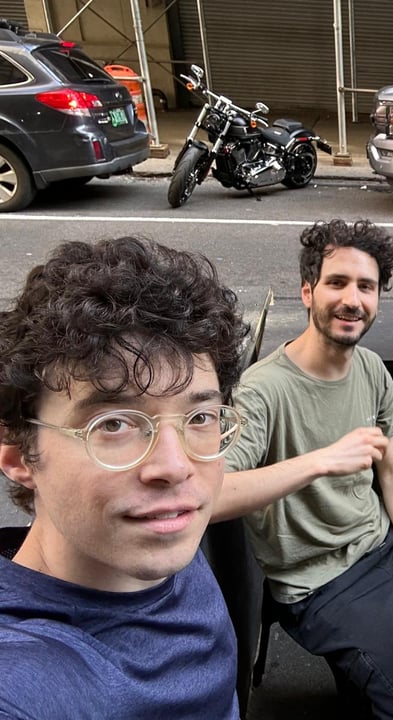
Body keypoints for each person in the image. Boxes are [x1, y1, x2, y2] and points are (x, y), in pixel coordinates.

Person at [222, 219, 393, 720]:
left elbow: (392, 471)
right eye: (337, 282)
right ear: (307, 292)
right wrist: (321, 461)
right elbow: (211, 494)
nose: (353, 299)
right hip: (318, 580)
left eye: (366, 287)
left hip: (383, 542)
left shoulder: (371, 368)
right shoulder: (262, 391)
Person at [0, 237, 249, 718]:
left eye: (199, 419)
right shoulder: (24, 683)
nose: (175, 468)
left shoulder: (158, 529)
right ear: (18, 453)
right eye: (113, 424)